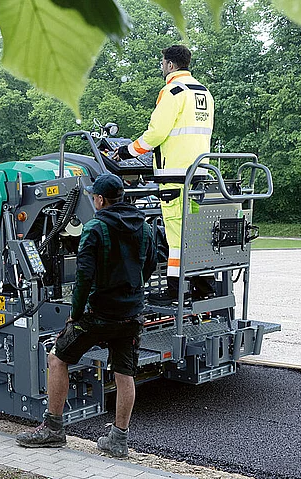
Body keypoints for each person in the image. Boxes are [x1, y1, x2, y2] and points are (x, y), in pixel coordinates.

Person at [16, 173, 157, 458]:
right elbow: (149, 266)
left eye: (94, 197)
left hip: (98, 314)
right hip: (130, 314)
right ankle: (119, 440)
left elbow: (83, 278)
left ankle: (53, 429)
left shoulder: (94, 228)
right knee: (124, 373)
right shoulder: (144, 227)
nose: (93, 200)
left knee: (57, 357)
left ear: (101, 199)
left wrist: (74, 314)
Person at [115, 45, 215, 305]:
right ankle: (204, 288)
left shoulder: (172, 92)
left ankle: (175, 292)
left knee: (176, 236)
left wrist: (126, 152)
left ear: (170, 65)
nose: (161, 67)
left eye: (162, 63)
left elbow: (156, 133)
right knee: (197, 233)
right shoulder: (203, 92)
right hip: (198, 173)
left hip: (174, 175)